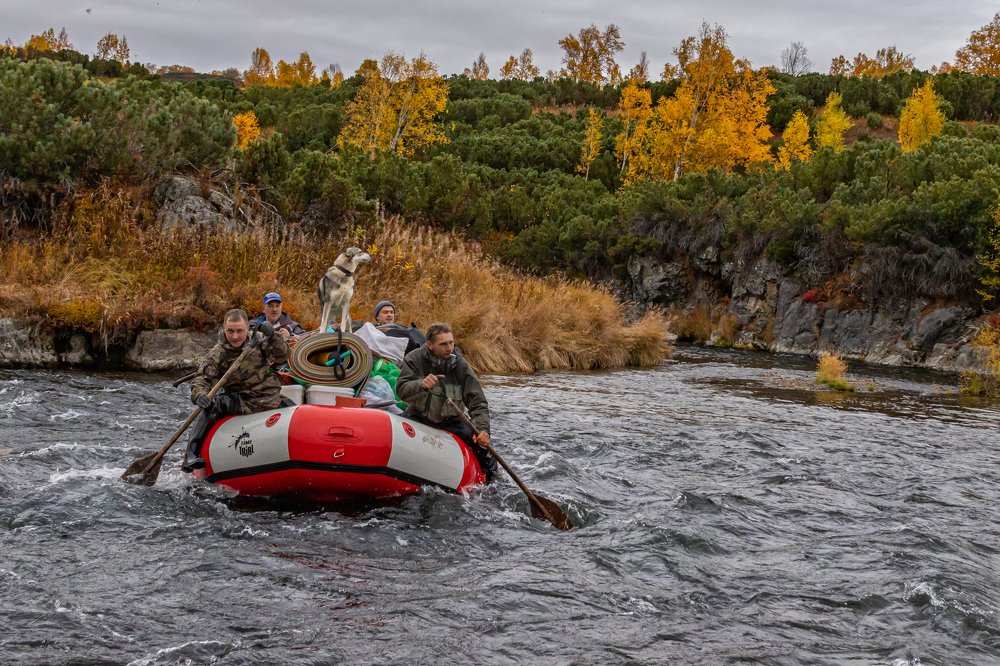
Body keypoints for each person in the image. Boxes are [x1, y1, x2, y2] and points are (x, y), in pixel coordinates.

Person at [182, 308, 290, 471]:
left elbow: (283, 356)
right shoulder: (217, 353)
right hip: (240, 401)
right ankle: (191, 454)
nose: (235, 336)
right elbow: (201, 379)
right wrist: (199, 395)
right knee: (215, 404)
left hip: (269, 398)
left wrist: (274, 336)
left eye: (239, 331)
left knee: (293, 408)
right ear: (224, 329)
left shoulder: (260, 340)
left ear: (247, 327)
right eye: (230, 331)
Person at [396, 322, 497, 481]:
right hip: (419, 417)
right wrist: (421, 385)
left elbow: (477, 401)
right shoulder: (414, 358)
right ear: (430, 345)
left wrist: (482, 428)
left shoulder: (461, 365)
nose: (449, 348)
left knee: (483, 449)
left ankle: (492, 481)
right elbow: (401, 390)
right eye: (443, 344)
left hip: (452, 421)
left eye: (451, 343)